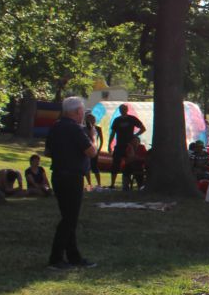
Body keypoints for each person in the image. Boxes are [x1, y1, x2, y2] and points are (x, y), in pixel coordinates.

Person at [45, 96, 99, 270]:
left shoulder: (56, 126)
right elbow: (91, 152)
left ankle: (73, 256)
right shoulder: (75, 129)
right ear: (77, 111)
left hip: (58, 175)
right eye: (82, 110)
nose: (83, 114)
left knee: (69, 217)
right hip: (72, 177)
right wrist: (93, 137)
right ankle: (55, 259)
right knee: (69, 219)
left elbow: (47, 152)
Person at [107, 104, 146, 188]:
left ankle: (129, 184)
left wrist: (135, 135)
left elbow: (143, 128)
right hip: (119, 145)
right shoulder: (117, 120)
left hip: (130, 146)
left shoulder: (132, 119)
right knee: (115, 164)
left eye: (124, 109)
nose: (122, 111)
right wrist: (109, 144)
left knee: (131, 164)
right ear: (119, 110)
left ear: (127, 110)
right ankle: (112, 184)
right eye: (121, 109)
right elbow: (112, 133)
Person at [82, 111, 103, 190]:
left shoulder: (98, 128)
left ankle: (99, 184)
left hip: (94, 149)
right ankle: (89, 184)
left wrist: (99, 149)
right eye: (89, 119)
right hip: (86, 150)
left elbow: (101, 140)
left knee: (95, 166)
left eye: (92, 119)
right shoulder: (83, 129)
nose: (90, 120)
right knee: (86, 167)